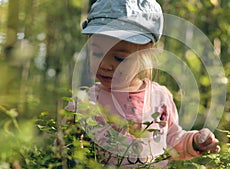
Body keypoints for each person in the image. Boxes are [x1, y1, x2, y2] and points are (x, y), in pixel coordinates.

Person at [66, 0, 220, 168]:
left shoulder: (160, 99)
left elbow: (172, 140)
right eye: (97, 52)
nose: (105, 64)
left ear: (146, 55)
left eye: (119, 58)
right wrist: (68, 128)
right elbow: (69, 149)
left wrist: (195, 141)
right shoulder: (87, 103)